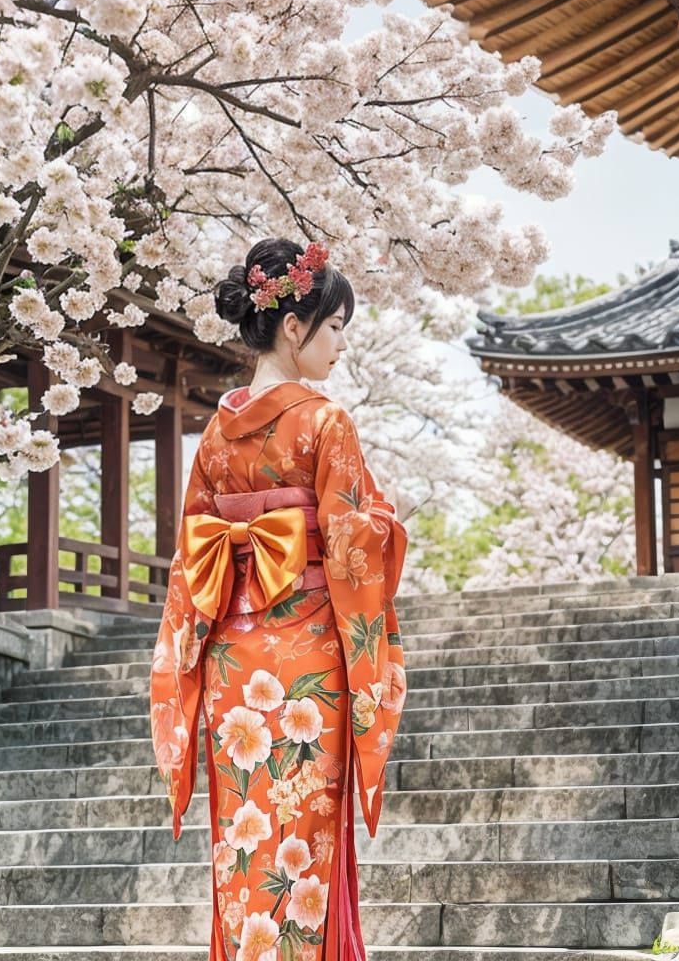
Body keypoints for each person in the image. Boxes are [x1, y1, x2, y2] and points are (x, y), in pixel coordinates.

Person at [149, 237, 408, 961]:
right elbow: (353, 546)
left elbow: (191, 558)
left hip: (232, 665)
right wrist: (388, 524)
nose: (341, 346)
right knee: (302, 840)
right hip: (307, 660)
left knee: (244, 841)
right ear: (293, 327)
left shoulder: (213, 435)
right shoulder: (325, 421)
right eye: (335, 328)